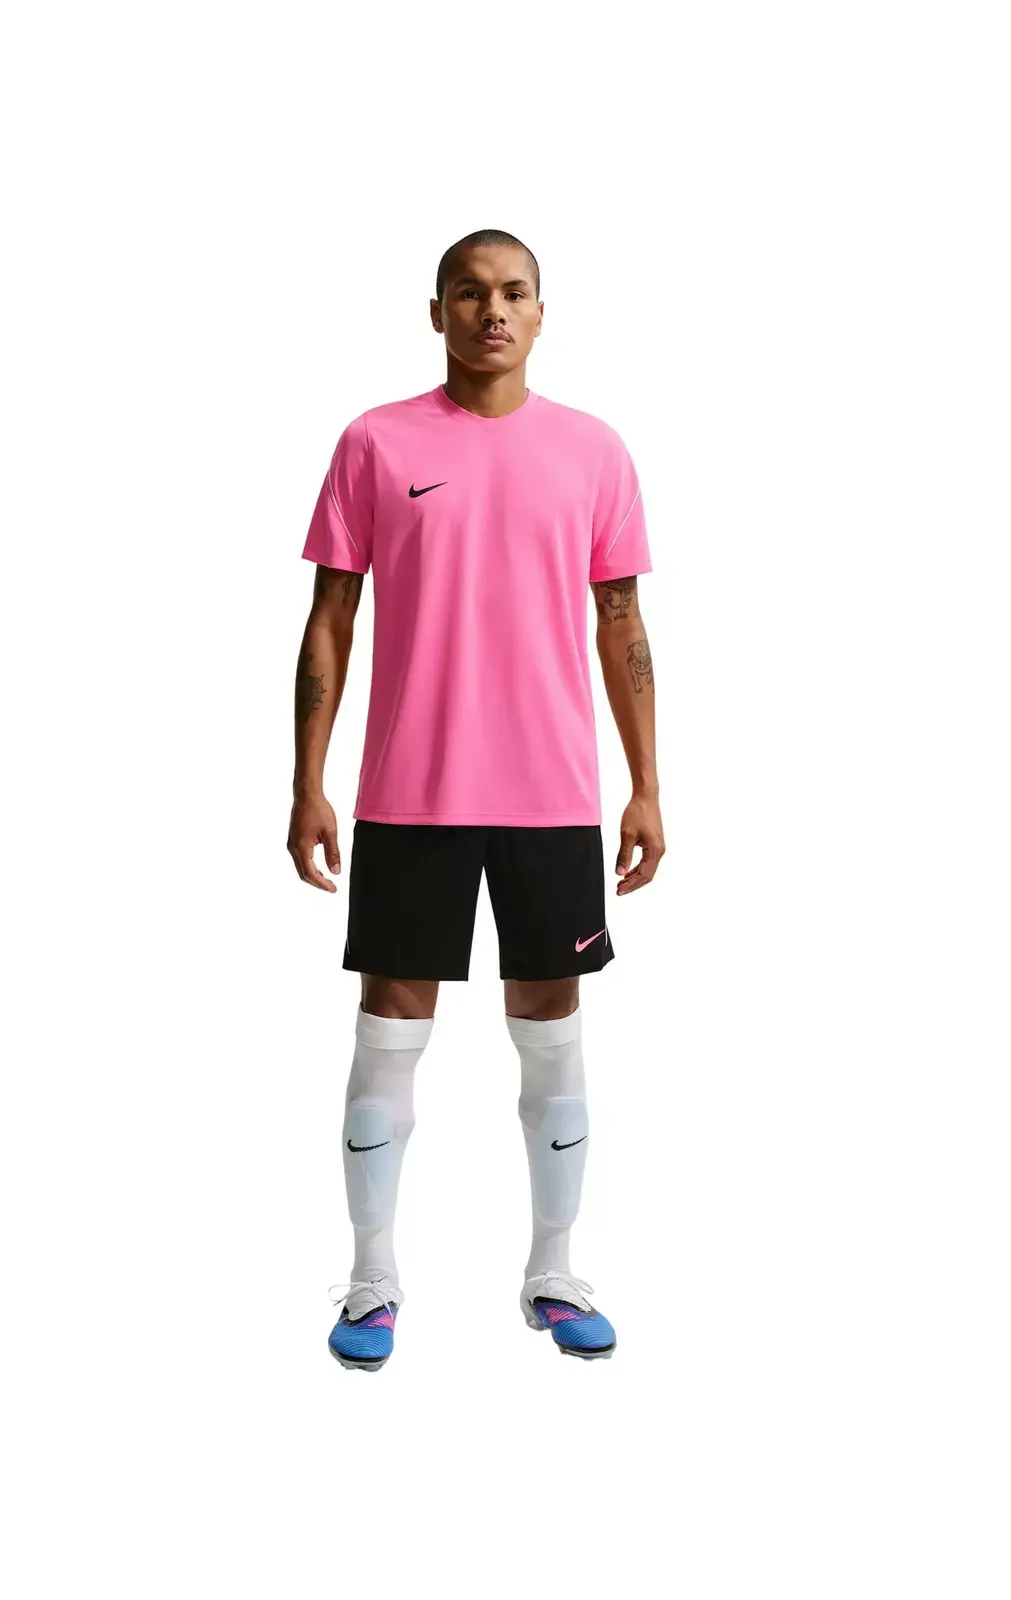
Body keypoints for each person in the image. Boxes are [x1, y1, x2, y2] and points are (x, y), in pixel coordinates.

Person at [288, 229, 664, 1369]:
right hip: (412, 793)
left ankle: (553, 1271)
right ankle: (372, 1281)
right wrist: (307, 780)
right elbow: (331, 619)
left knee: (551, 1038)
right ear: (438, 311)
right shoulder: (375, 441)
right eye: (469, 292)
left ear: (541, 312)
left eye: (513, 292)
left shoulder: (594, 450)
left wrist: (647, 786)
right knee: (388, 1037)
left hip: (553, 797)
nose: (491, 310)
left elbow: (621, 625)